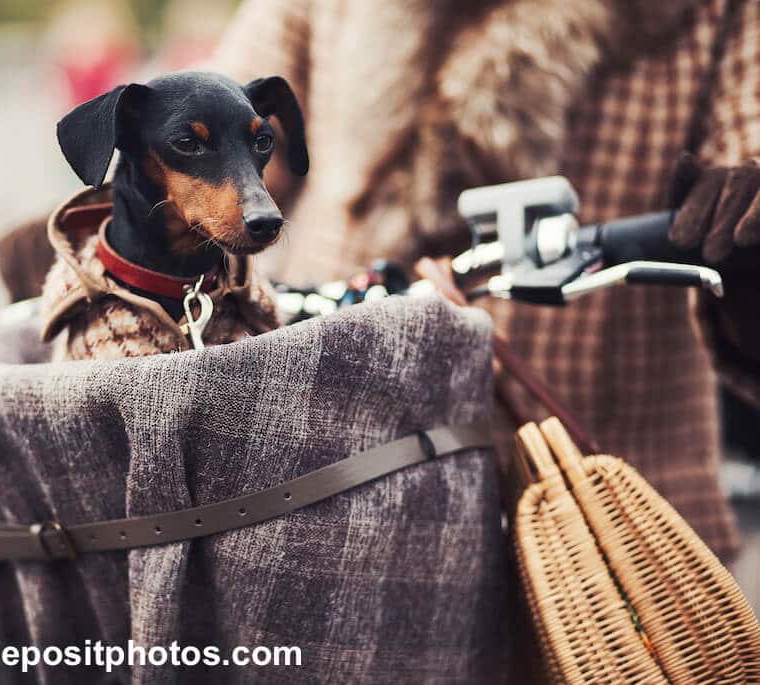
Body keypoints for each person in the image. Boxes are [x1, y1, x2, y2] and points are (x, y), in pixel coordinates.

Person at [210, 0, 760, 561]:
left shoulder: (718, 13)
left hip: (603, 523)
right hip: (337, 470)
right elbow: (220, 144)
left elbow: (751, 146)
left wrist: (746, 248)